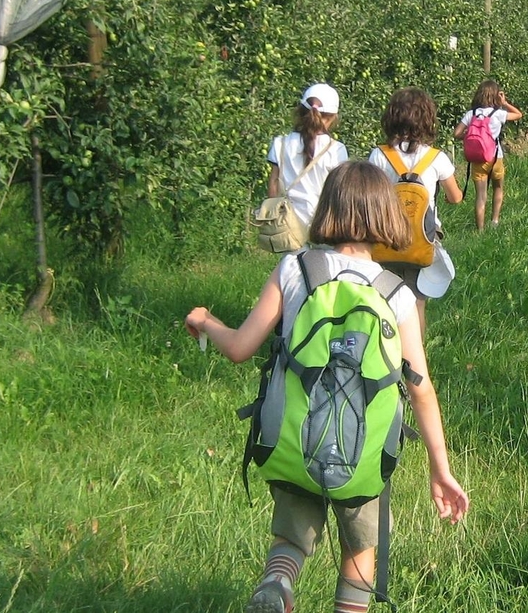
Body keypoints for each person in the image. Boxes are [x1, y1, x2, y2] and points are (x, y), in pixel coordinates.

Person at [184, 161, 469, 613]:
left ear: (327, 209)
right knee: (360, 551)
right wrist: (441, 470)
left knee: (290, 537)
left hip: (293, 441)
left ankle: (277, 584)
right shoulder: (397, 294)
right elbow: (421, 389)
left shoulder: (295, 269)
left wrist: (204, 321)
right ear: (386, 216)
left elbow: (240, 346)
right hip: (364, 454)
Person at [369, 88, 463, 342]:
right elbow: (455, 197)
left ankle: (383, 349)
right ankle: (415, 357)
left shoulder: (379, 155)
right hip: (421, 241)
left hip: (386, 238)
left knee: (383, 299)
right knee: (416, 302)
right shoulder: (435, 157)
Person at [265, 83, 348, 239]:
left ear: (300, 111)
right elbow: (340, 191)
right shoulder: (336, 149)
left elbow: (274, 184)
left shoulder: (280, 143)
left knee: (291, 261)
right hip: (323, 222)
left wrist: (273, 215)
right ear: (333, 117)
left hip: (287, 223)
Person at [453, 79, 522, 231]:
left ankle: (480, 230)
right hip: (495, 157)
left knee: (480, 196)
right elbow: (518, 115)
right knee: (498, 187)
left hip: (477, 159)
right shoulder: (498, 114)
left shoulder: (471, 114)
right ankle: (495, 221)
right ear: (495, 96)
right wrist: (504, 103)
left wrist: (470, 136)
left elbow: (456, 133)